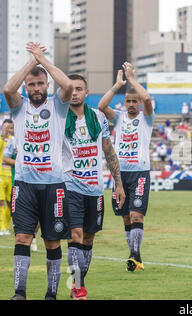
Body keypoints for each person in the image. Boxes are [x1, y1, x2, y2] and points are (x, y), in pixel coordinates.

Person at [3, 42, 74, 300]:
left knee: (52, 243)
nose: (35, 88)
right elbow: (8, 88)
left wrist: (43, 61)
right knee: (22, 238)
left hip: (54, 184)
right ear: (27, 88)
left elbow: (67, 86)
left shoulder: (58, 106)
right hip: (24, 183)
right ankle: (19, 293)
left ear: (46, 86)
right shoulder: (19, 106)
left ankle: (51, 294)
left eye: (40, 84)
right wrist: (31, 64)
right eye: (31, 85)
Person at [63, 74, 125, 300]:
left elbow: (108, 150)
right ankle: (79, 288)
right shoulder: (59, 118)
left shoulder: (98, 118)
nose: (75, 93)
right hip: (70, 186)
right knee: (76, 235)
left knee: (88, 239)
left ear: (86, 93)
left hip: (95, 189)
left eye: (79, 89)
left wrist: (118, 184)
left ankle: (77, 284)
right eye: (72, 89)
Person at [98, 62, 154, 272]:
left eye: (134, 101)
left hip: (140, 173)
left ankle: (134, 254)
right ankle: (135, 255)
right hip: (120, 175)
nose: (131, 104)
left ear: (139, 103)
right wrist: (116, 85)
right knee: (125, 217)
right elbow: (103, 106)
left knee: (136, 215)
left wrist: (131, 79)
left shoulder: (146, 118)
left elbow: (147, 98)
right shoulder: (119, 117)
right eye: (128, 100)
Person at [0, 119, 14, 236]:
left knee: (11, 203)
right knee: (0, 202)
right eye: (5, 128)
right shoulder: (1, 140)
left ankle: (6, 226)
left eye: (9, 128)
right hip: (0, 175)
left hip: (11, 175)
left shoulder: (13, 141)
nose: (7, 130)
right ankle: (1, 227)